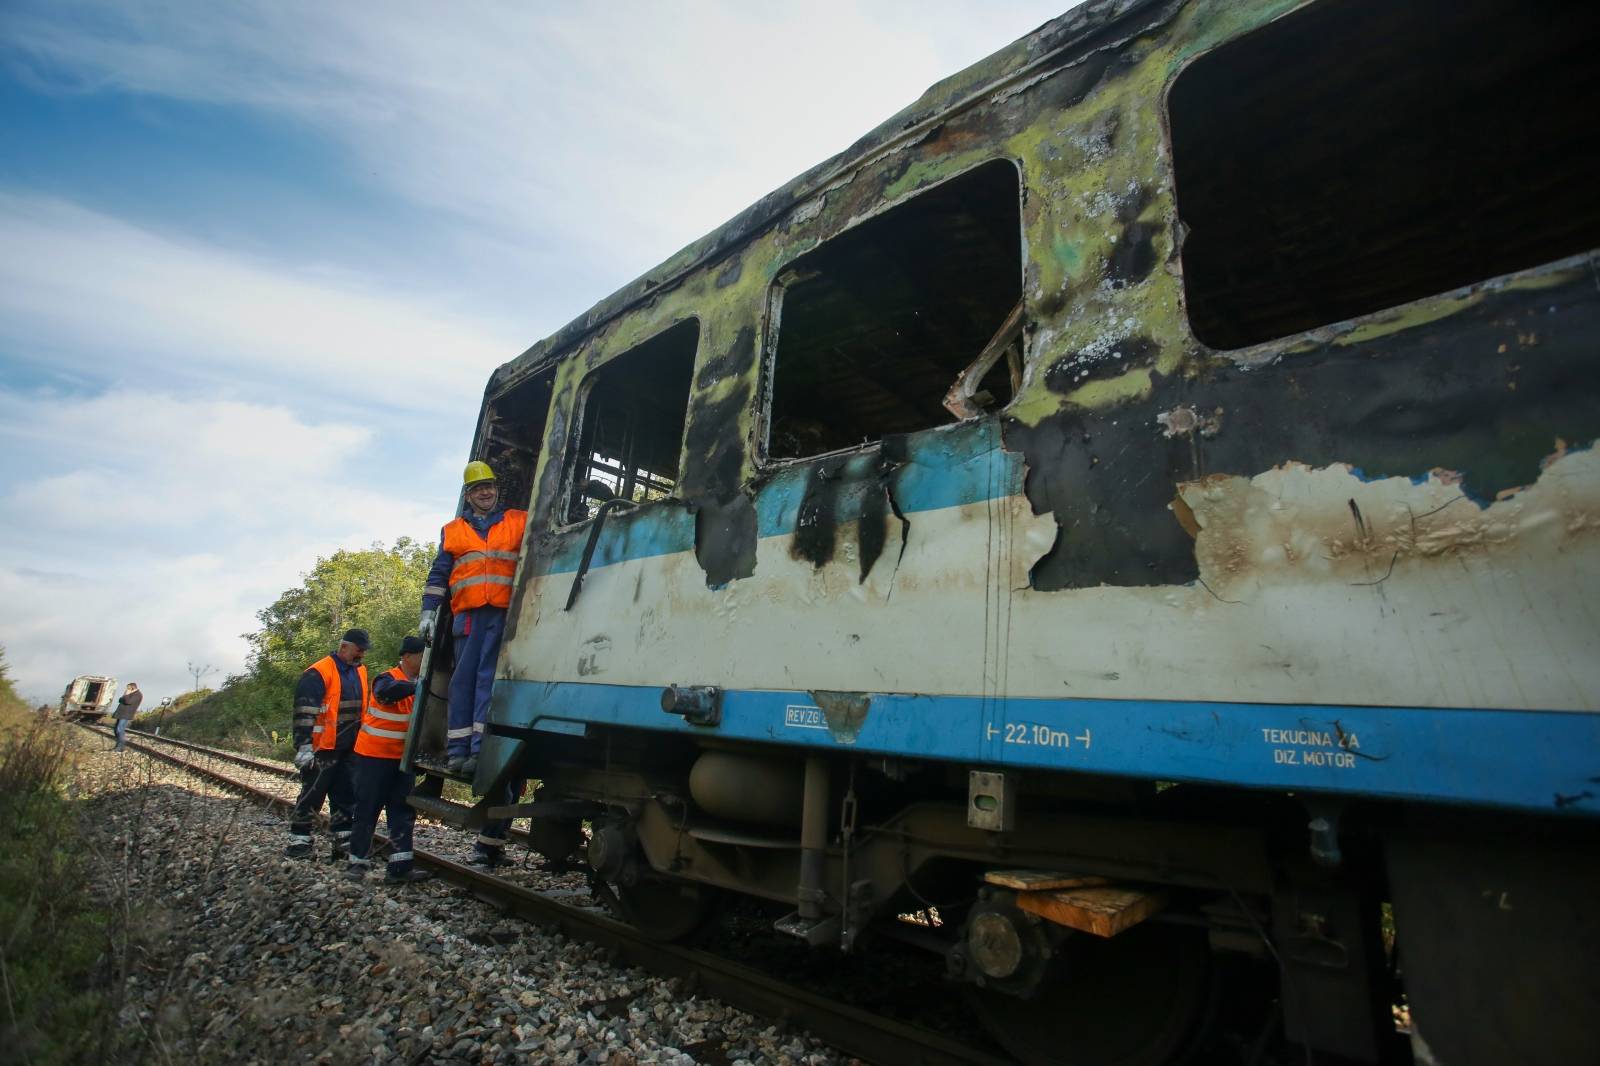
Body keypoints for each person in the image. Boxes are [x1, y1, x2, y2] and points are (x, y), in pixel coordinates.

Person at [420, 460, 528, 777]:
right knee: (462, 682)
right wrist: (428, 612)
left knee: (487, 680)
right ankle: (458, 751)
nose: (485, 492)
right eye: (478, 488)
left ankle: (479, 750)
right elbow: (439, 575)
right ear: (468, 495)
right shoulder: (453, 532)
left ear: (496, 490)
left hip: (500, 614)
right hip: (467, 617)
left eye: (489, 487)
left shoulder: (517, 521)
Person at [346, 636, 433, 885]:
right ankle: (357, 863)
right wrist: (419, 686)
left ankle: (400, 867)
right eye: (421, 656)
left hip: (402, 761)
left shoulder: (421, 684)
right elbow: (386, 694)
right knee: (367, 809)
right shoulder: (387, 678)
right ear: (406, 656)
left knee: (402, 812)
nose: (424, 660)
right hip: (373, 757)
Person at [285, 629, 370, 860]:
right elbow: (304, 712)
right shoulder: (318, 673)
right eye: (358, 650)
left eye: (363, 651)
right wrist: (303, 746)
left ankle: (342, 842)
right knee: (313, 795)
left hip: (349, 747)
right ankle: (299, 841)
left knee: (345, 795)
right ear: (344, 647)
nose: (361, 655)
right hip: (322, 748)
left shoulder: (360, 671)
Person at [112, 682, 142, 752]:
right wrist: (125, 695)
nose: (127, 689)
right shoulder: (130, 694)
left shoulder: (138, 695)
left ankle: (120, 747)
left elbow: (128, 701)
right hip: (121, 713)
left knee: (120, 729)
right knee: (116, 729)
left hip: (126, 714)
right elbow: (120, 700)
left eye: (128, 688)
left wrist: (126, 694)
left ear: (132, 688)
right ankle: (118, 745)